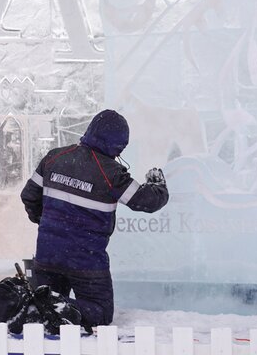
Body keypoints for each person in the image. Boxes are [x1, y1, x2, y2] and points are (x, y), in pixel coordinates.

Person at [20, 109, 169, 328]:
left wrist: (47, 223)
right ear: (118, 144)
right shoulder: (111, 173)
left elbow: (29, 196)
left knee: (45, 311)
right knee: (100, 313)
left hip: (48, 255)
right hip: (86, 261)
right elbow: (147, 201)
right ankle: (55, 306)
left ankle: (46, 305)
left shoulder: (54, 157)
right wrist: (158, 186)